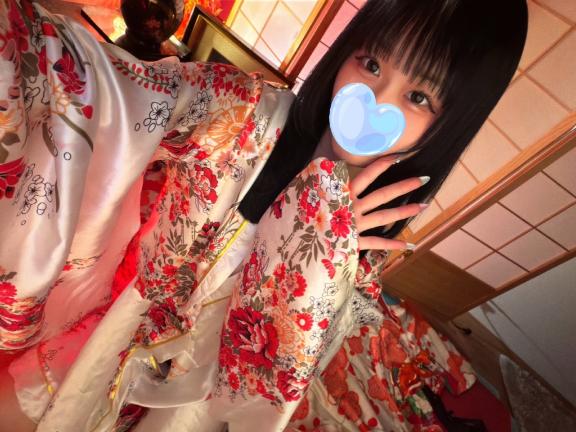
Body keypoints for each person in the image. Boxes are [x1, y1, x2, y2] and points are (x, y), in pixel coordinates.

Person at [0, 0, 527, 431]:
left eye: (418, 96)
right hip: (120, 329)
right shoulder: (247, 111)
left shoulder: (366, 237)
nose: (374, 101)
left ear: (449, 125)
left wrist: (321, 254)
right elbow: (129, 91)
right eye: (370, 64)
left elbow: (277, 375)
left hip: (199, 398)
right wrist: (27, 47)